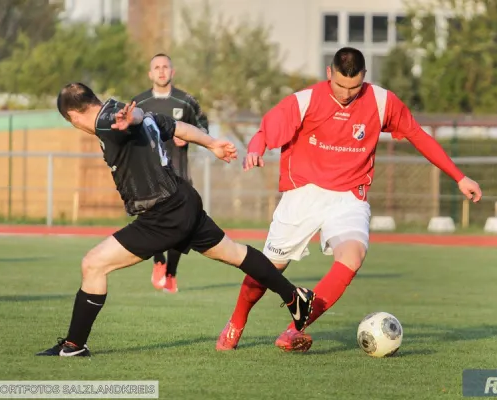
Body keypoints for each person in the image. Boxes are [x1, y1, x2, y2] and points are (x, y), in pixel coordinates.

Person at [216, 47, 483, 352]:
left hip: (349, 198)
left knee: (352, 258)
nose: (345, 94)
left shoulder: (382, 101)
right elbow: (268, 127)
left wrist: (459, 177)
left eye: (353, 87)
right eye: (340, 86)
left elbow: (418, 135)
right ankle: (236, 322)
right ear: (329, 74)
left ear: (364, 78)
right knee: (269, 268)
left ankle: (293, 331)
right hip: (303, 194)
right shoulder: (306, 100)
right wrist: (256, 148)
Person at [36, 82, 315, 357]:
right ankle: (294, 296)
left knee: (93, 264)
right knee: (235, 253)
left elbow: (125, 120)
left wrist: (130, 118)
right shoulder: (127, 111)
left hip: (163, 214)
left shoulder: (111, 120)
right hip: (183, 200)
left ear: (73, 117)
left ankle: (74, 346)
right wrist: (212, 143)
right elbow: (177, 127)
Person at [132, 53, 209, 294]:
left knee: (183, 225)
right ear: (150, 73)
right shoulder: (139, 102)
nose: (161, 71)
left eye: (166, 67)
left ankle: (172, 273)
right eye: (157, 67)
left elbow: (204, 127)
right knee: (152, 221)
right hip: (150, 176)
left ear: (172, 72)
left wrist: (187, 136)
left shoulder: (186, 101)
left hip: (180, 174)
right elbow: (128, 132)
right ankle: (158, 261)